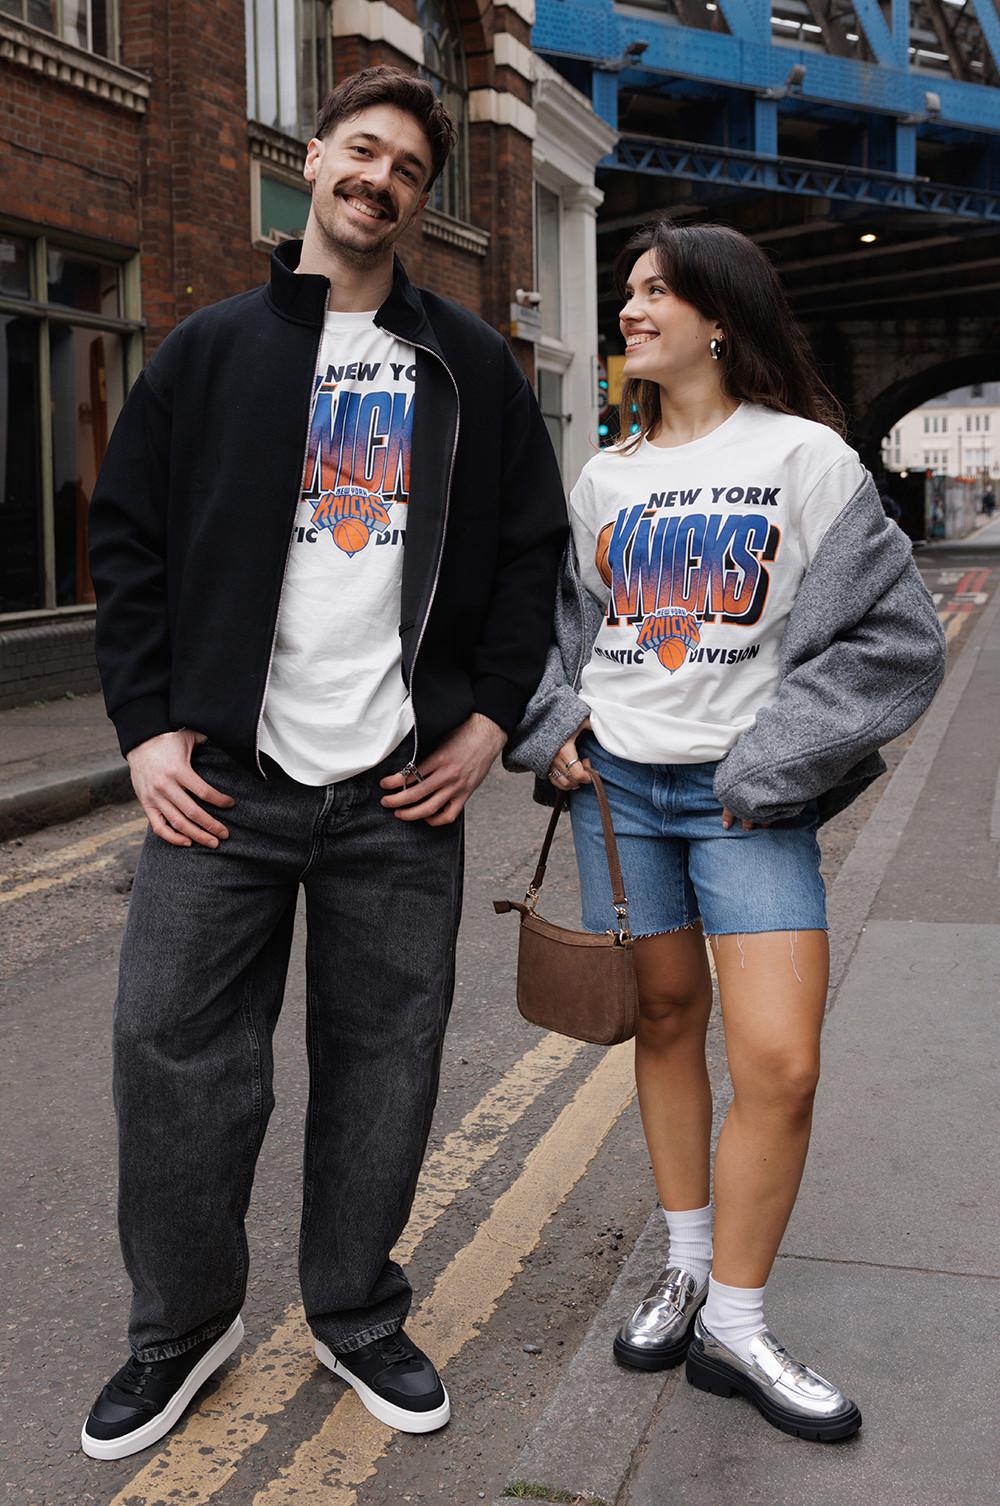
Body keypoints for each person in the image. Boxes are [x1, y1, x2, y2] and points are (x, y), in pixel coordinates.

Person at [82, 66, 566, 1460]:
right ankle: (180, 1324)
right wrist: (147, 726)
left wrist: (485, 722)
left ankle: (355, 1307)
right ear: (315, 159)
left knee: (387, 1063)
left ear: (419, 199)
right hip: (224, 782)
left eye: (411, 168)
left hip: (398, 792)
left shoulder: (469, 365)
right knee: (168, 1051)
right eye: (365, 151)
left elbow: (532, 553)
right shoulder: (211, 349)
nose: (383, 180)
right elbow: (127, 546)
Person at [507, 218, 945, 1443]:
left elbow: (898, 639)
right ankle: (690, 1268)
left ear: (718, 317)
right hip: (619, 796)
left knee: (778, 1063)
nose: (630, 310)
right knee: (661, 1021)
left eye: (654, 292)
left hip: (743, 799)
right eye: (628, 292)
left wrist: (775, 755)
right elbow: (560, 634)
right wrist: (557, 731)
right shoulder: (605, 478)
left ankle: (738, 1329)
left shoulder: (807, 461)